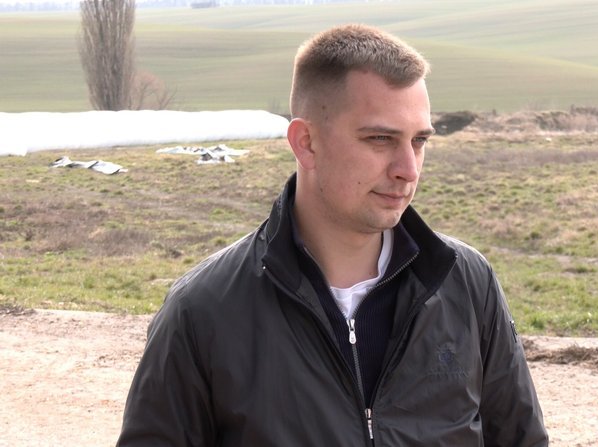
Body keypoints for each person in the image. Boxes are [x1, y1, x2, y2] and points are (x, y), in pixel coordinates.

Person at [117, 24, 548, 446]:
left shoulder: (467, 283)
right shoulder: (203, 310)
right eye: (380, 139)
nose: (408, 169)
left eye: (419, 141)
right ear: (306, 143)